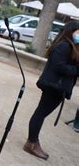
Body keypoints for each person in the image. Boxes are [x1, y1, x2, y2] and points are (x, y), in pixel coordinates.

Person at [23, 21, 79, 160]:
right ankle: (31, 143)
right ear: (71, 31)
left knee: (41, 113)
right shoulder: (64, 46)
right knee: (40, 113)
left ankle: (33, 141)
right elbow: (59, 66)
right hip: (53, 86)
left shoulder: (69, 45)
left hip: (57, 87)